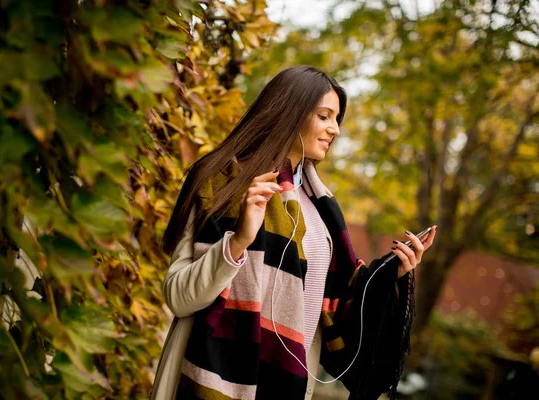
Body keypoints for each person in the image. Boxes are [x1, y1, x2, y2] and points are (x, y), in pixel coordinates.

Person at [151, 65, 437, 400]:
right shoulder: (223, 179)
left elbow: (330, 301)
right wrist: (238, 242)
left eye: (337, 119)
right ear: (292, 110)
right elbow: (179, 296)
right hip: (214, 381)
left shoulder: (322, 208)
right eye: (325, 116)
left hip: (285, 386)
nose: (335, 130)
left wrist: (391, 272)